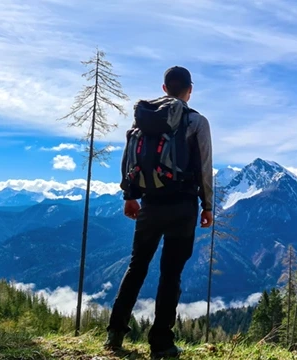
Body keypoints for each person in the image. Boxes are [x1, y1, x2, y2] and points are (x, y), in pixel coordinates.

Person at [104, 65, 214, 359]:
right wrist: (208, 206)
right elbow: (204, 168)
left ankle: (115, 333)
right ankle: (162, 343)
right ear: (189, 90)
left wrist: (130, 196)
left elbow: (130, 156)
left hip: (149, 204)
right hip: (183, 207)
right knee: (171, 274)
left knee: (136, 266)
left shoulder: (146, 119)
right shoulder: (196, 121)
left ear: (165, 88)